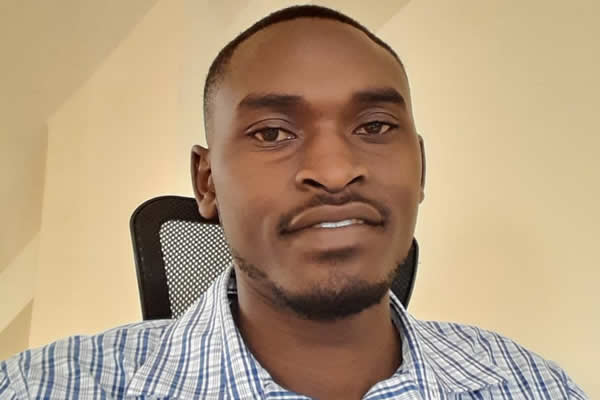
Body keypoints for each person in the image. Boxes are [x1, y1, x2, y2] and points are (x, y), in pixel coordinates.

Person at [0, 5, 588, 400]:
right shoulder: (40, 388)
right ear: (207, 183)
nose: (334, 172)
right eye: (273, 133)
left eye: (376, 126)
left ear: (421, 166)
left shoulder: (533, 386)